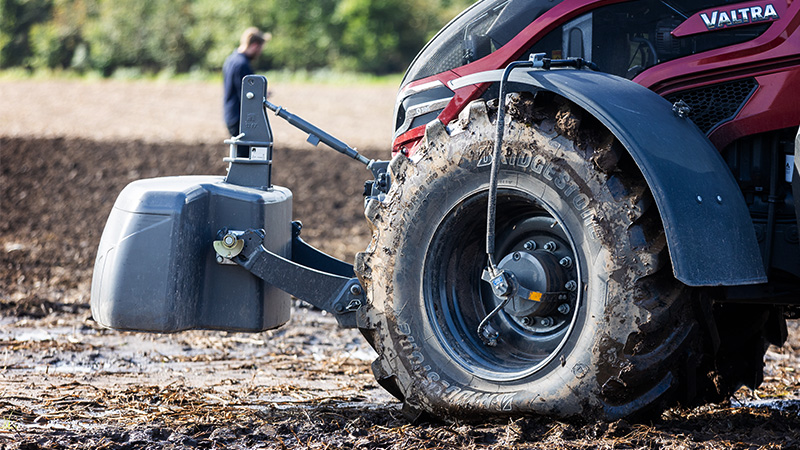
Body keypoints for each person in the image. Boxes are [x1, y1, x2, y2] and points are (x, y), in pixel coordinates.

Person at [223, 27, 270, 136]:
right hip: (240, 118)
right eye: (260, 49)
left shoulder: (231, 59)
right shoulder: (242, 64)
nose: (260, 53)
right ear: (255, 46)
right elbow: (246, 95)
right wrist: (261, 94)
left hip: (231, 114)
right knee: (242, 152)